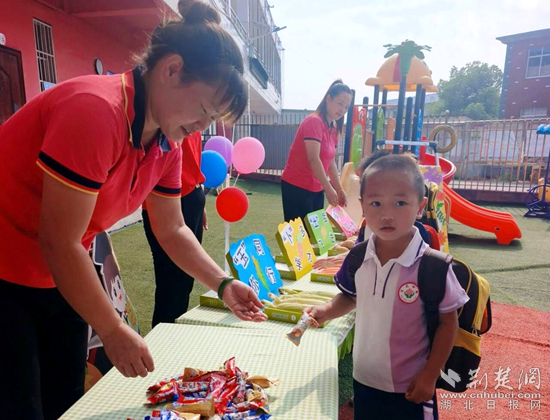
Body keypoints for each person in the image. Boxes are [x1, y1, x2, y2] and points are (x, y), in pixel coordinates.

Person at [0, 1, 266, 419]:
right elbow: (59, 241)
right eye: (204, 111)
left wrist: (223, 283)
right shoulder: (95, 110)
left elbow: (172, 229)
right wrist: (112, 329)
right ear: (172, 70)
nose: (203, 127)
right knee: (20, 403)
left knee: (66, 396)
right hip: (8, 266)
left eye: (213, 119)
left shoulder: (167, 141)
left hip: (60, 271)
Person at [306, 154, 469, 420]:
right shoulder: (358, 257)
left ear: (420, 206)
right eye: (376, 203)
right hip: (364, 381)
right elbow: (351, 297)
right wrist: (326, 310)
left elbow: (448, 324)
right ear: (362, 206)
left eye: (400, 202)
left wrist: (430, 375)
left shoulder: (433, 266)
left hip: (411, 386)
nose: (387, 214)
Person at [142, 131, 207, 328]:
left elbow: (193, 155)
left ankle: (175, 333)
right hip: (166, 199)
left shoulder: (196, 120)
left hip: (192, 194)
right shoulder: (169, 120)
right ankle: (162, 338)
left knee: (185, 280)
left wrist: (199, 198)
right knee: (171, 281)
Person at [280, 80, 352, 222]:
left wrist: (339, 189)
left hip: (316, 187)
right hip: (297, 186)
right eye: (340, 104)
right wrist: (328, 188)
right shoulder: (314, 121)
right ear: (328, 99)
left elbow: (330, 162)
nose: (342, 110)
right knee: (300, 233)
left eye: (346, 107)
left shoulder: (334, 128)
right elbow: (313, 158)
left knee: (315, 231)